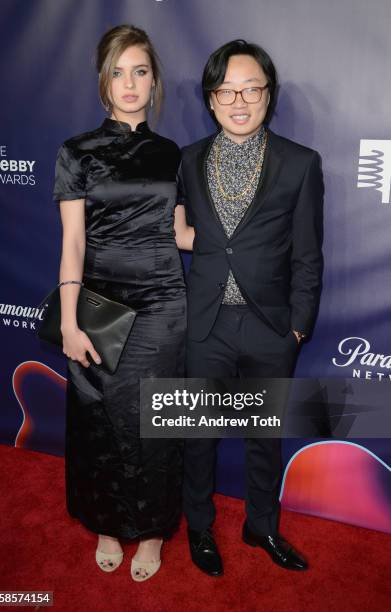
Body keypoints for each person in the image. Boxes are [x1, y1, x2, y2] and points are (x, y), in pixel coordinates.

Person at [178, 39, 324, 576]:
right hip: (206, 324)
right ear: (211, 99)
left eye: (251, 89)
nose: (239, 101)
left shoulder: (300, 163)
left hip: (271, 328)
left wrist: (298, 328)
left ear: (268, 95)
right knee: (197, 436)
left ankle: (261, 525)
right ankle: (198, 525)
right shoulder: (187, 161)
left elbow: (309, 253)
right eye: (226, 91)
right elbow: (180, 232)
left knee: (265, 436)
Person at [53, 24, 193, 582]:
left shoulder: (170, 154)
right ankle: (108, 523)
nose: (130, 83)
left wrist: (245, 240)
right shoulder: (77, 151)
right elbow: (72, 242)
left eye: (140, 71)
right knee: (98, 421)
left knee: (156, 420)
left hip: (162, 303)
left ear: (154, 80)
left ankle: (153, 531)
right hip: (98, 302)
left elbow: (181, 234)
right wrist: (68, 320)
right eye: (118, 71)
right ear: (102, 81)